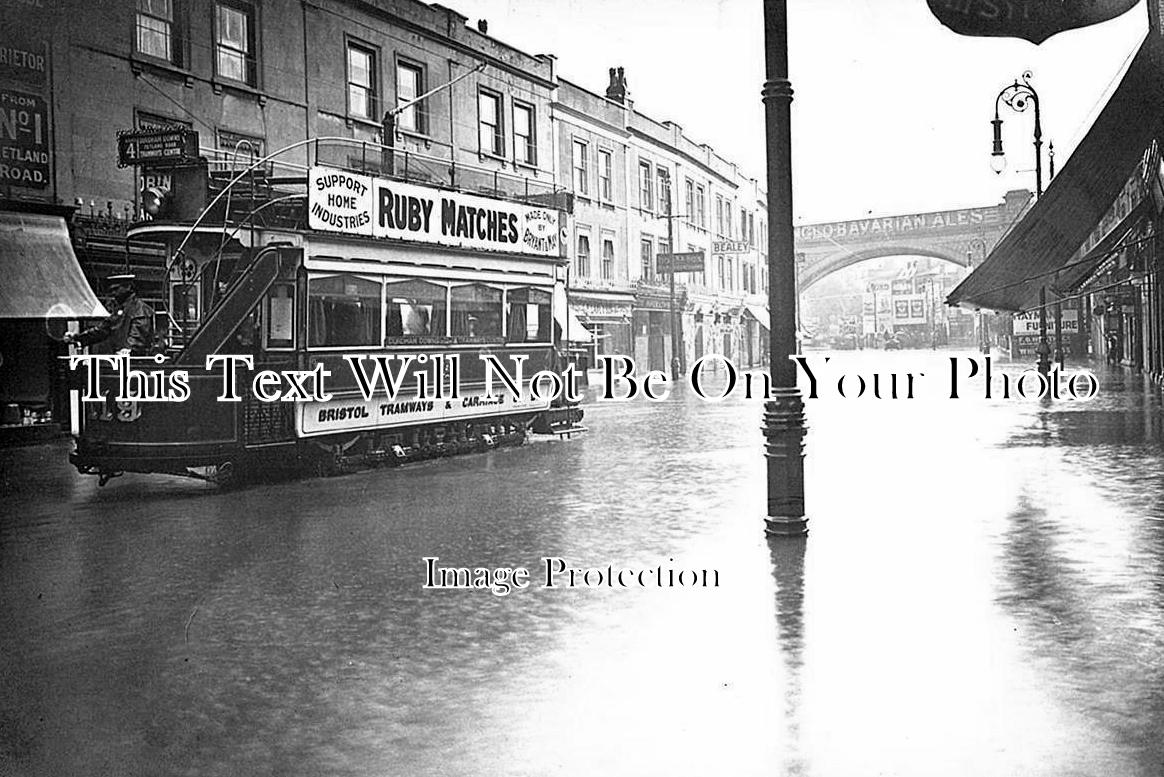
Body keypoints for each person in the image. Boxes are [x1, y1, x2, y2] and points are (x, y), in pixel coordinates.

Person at [64, 273, 156, 356]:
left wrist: (128, 349)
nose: (113, 293)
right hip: (120, 359)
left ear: (128, 287)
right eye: (111, 290)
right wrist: (78, 337)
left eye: (116, 289)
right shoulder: (119, 309)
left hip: (135, 361)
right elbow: (102, 330)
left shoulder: (140, 309)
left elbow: (138, 337)